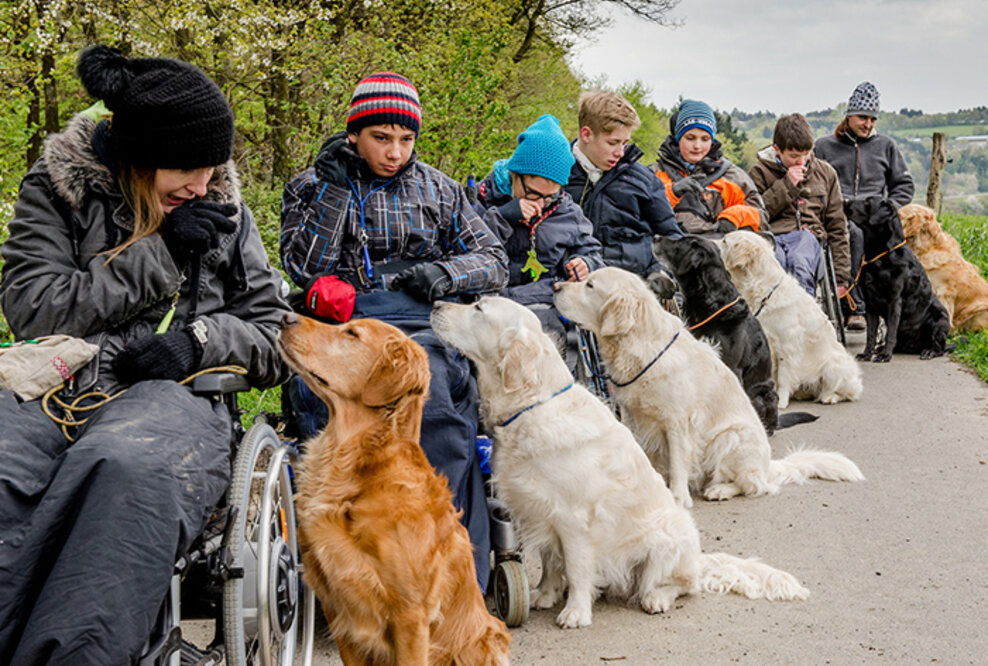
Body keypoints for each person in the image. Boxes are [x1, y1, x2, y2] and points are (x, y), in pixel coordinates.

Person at [0, 46, 289, 665]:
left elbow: (272, 333)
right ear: (137, 157)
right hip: (53, 385)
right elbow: (32, 309)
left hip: (176, 397)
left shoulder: (224, 213)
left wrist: (197, 343)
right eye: (186, 169)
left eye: (213, 168)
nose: (203, 186)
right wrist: (155, 254)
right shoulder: (57, 190)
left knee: (122, 466)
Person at [280, 72, 508, 591]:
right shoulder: (312, 186)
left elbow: (494, 258)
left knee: (434, 402)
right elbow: (301, 265)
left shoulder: (440, 188)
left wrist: (445, 275)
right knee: (333, 409)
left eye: (406, 140)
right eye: (382, 138)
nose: (395, 152)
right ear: (354, 134)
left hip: (420, 324)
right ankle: (353, 572)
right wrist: (335, 193)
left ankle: (452, 572)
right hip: (343, 328)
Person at [474, 113, 603, 347]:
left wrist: (585, 264)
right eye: (533, 193)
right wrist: (505, 216)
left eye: (550, 195)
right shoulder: (483, 199)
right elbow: (468, 247)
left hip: (543, 302)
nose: (541, 203)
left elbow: (592, 252)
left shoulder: (567, 212)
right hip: (490, 301)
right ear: (516, 175)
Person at [814, 81, 915, 329]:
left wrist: (887, 208)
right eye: (863, 117)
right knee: (854, 234)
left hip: (876, 216)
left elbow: (904, 186)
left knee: (884, 241)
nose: (868, 124)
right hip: (840, 212)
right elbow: (813, 182)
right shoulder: (824, 147)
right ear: (849, 115)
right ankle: (855, 307)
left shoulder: (886, 146)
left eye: (872, 119)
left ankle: (907, 312)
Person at [564, 91, 682, 296]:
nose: (620, 152)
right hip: (575, 289)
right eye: (612, 143)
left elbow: (672, 237)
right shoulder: (555, 174)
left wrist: (660, 271)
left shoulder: (644, 179)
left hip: (635, 289)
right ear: (586, 134)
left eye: (624, 143)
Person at [749, 113, 851, 296]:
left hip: (808, 235)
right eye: (794, 156)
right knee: (775, 266)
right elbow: (755, 215)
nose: (801, 161)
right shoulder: (759, 173)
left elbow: (837, 226)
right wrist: (787, 185)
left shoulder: (825, 173)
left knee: (798, 262)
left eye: (806, 154)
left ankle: (804, 318)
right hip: (772, 236)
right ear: (777, 150)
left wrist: (841, 276)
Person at [653, 99, 767, 236]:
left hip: (719, 248)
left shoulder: (732, 176)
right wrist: (673, 192)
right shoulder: (656, 173)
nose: (697, 146)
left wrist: (733, 218)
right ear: (678, 138)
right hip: (671, 248)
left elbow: (760, 216)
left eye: (705, 139)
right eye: (690, 138)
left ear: (712, 140)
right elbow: (641, 212)